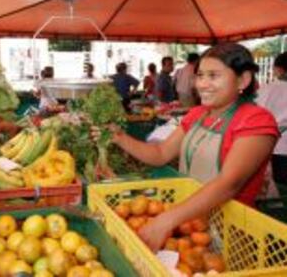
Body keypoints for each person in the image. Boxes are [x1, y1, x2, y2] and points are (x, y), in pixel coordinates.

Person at [103, 43, 278, 251]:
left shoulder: (256, 121)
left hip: (229, 233)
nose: (202, 84)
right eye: (200, 75)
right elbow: (160, 153)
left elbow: (228, 184)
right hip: (188, 223)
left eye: (213, 76)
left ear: (243, 79)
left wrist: (166, 220)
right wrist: (119, 137)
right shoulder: (198, 114)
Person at [256, 52, 287, 186]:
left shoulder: (265, 89)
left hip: (272, 146)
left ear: (279, 69)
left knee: (277, 186)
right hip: (280, 146)